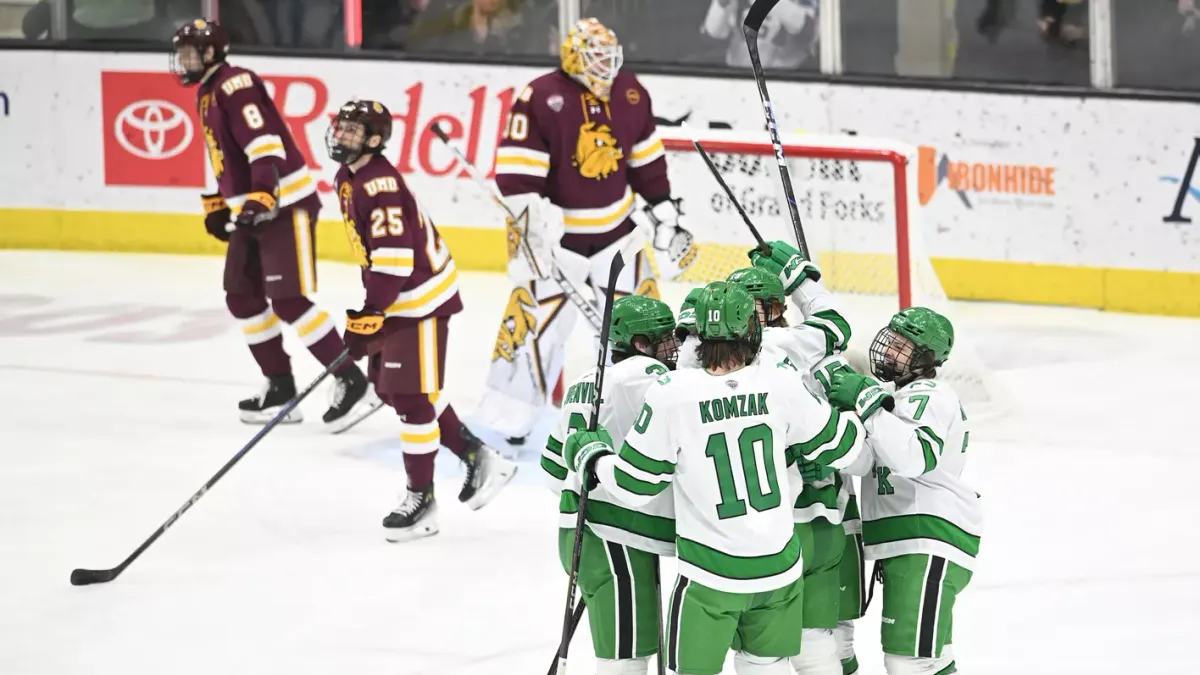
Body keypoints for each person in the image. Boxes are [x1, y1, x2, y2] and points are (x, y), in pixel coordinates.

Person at [564, 281, 867, 675]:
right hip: (778, 571)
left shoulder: (672, 392)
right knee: (767, 667)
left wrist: (593, 456)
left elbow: (634, 485)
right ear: (752, 331)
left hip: (711, 577)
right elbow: (845, 448)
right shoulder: (781, 382)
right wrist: (853, 406)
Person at [474, 17, 697, 446]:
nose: (605, 67)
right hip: (561, 243)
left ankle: (647, 410)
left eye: (610, 58)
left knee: (645, 323)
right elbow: (518, 180)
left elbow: (646, 160)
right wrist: (532, 233)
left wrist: (662, 208)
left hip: (620, 236)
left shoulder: (631, 92)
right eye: (596, 58)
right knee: (536, 326)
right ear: (574, 57)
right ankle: (511, 417)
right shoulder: (540, 96)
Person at [171, 18, 380, 431]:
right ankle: (281, 387)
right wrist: (220, 202)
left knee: (289, 299)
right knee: (242, 296)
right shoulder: (208, 90)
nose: (182, 61)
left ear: (211, 53)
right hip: (252, 207)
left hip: (283, 205)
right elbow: (225, 153)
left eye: (190, 53)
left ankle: (351, 379)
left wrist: (265, 191)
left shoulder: (235, 84)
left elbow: (263, 139)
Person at [327, 99, 517, 542]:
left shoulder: (380, 186)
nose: (342, 137)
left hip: (421, 301)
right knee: (396, 391)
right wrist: (374, 311)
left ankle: (421, 501)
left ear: (375, 140)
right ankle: (477, 455)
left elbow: (394, 259)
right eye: (341, 129)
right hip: (399, 298)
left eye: (353, 132)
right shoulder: (348, 177)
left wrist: (371, 313)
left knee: (413, 400)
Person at [822, 307, 983, 675]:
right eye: (891, 340)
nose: (889, 350)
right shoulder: (891, 397)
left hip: (928, 540)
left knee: (909, 663)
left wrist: (865, 402)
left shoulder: (932, 394)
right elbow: (864, 461)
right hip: (910, 541)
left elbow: (915, 456)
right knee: (930, 658)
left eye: (902, 345)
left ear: (925, 357)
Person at [542, 295, 678, 675]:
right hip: (612, 534)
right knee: (626, 659)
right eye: (664, 338)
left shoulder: (584, 382)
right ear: (639, 344)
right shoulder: (642, 373)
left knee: (629, 647)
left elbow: (553, 471)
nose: (674, 346)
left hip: (586, 530)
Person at [701, 0, 819, 69]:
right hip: (738, 76)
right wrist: (722, 5)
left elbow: (807, 30)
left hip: (785, 80)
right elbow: (714, 33)